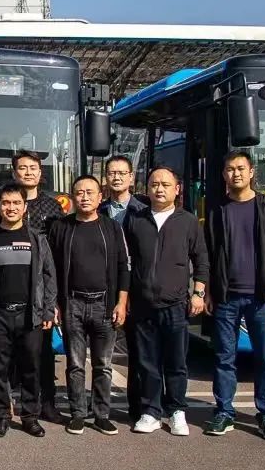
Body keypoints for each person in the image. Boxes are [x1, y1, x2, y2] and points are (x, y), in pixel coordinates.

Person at [203, 151, 265, 441]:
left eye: (241, 168)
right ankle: (224, 411)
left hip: (261, 296)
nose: (235, 173)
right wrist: (209, 292)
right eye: (230, 169)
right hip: (225, 296)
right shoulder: (217, 209)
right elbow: (208, 254)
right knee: (224, 357)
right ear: (223, 175)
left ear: (252, 172)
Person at [123, 166, 208, 436]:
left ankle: (176, 411)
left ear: (177, 189)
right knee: (147, 362)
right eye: (154, 184)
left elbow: (201, 260)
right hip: (142, 304)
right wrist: (125, 298)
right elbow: (125, 261)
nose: (159, 189)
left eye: (165, 184)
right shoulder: (136, 220)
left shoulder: (188, 221)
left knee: (176, 362)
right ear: (147, 188)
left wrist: (199, 293)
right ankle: (151, 412)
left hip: (175, 305)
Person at [48, 175, 130, 436]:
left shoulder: (111, 227)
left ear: (99, 196)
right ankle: (78, 414)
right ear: (73, 197)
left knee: (103, 365)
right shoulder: (61, 227)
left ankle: (102, 414)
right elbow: (51, 269)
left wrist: (121, 302)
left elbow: (123, 266)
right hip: (72, 303)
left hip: (104, 304)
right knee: (75, 364)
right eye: (79, 192)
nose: (84, 197)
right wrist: (55, 303)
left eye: (90, 192)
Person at [0, 149, 64, 422]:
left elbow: (53, 258)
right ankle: (5, 407)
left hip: (38, 294)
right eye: (22, 167)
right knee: (2, 360)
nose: (28, 172)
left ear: (41, 173)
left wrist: (52, 301)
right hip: (6, 295)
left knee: (40, 356)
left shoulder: (53, 208)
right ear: (14, 172)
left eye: (33, 168)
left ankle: (45, 405)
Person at [0, 184, 57, 438]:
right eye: (6, 203)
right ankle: (1, 417)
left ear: (24, 206)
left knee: (31, 367)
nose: (11, 208)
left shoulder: (36, 238)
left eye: (16, 203)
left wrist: (48, 310)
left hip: (30, 314)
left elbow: (49, 275)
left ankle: (30, 417)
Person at [98, 154, 148, 423]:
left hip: (138, 288)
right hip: (105, 288)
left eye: (121, 173)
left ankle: (138, 407)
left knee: (138, 352)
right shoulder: (98, 210)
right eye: (111, 173)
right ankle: (99, 407)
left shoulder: (145, 209)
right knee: (102, 353)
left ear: (131, 177)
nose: (116, 177)